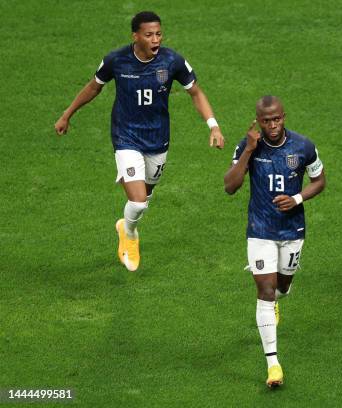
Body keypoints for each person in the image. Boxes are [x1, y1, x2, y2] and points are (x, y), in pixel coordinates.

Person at [54, 11, 225, 272]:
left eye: (158, 34)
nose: (155, 39)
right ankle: (129, 234)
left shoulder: (172, 61)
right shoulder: (117, 61)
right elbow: (93, 87)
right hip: (126, 137)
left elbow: (196, 92)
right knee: (137, 202)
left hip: (158, 139)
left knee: (147, 194)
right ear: (135, 36)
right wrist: (67, 114)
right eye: (149, 35)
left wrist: (213, 126)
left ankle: (126, 224)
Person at [224, 96, 325, 388]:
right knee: (265, 291)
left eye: (277, 119)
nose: (272, 125)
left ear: (284, 116)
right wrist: (249, 152)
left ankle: (277, 300)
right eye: (266, 121)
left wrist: (296, 199)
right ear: (258, 120)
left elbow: (320, 181)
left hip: (292, 230)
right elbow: (230, 186)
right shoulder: (248, 146)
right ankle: (273, 364)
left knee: (282, 286)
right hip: (260, 230)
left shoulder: (304, 147)